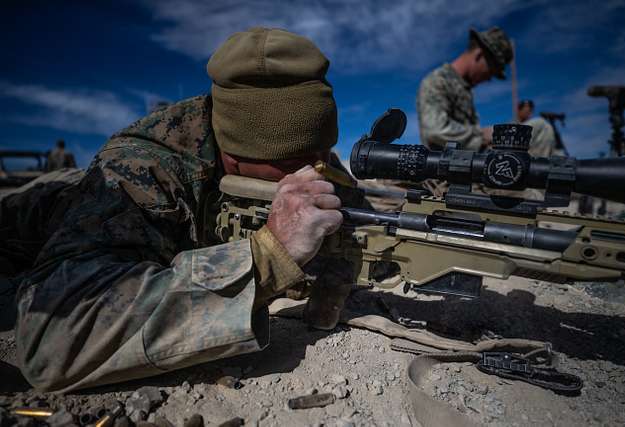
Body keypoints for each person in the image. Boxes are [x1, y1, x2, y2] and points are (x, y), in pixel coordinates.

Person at [0, 27, 362, 392]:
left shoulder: (312, 160)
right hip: (24, 226)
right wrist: (267, 258)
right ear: (233, 158)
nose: (311, 174)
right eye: (292, 164)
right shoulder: (139, 166)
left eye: (321, 154)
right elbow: (52, 341)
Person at [417, 27, 513, 151]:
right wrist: (482, 135)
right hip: (441, 166)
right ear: (479, 55)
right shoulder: (438, 81)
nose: (488, 79)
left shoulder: (465, 90)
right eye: (491, 71)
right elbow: (435, 130)